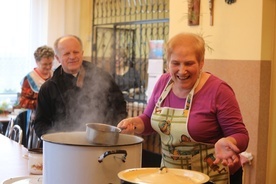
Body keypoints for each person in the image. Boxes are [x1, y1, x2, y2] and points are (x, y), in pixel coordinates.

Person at [117, 32, 249, 184]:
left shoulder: (218, 90)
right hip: (169, 178)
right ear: (168, 63)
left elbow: (241, 135)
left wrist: (229, 141)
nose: (181, 70)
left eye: (189, 63)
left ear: (201, 63)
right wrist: (133, 123)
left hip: (211, 180)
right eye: (175, 63)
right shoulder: (163, 83)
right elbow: (148, 120)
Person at [34, 35, 127, 138]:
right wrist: (57, 139)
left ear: (82, 53)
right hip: (65, 146)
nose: (72, 57)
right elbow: (40, 124)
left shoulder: (102, 78)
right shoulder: (48, 88)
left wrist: (110, 132)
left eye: (76, 52)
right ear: (57, 58)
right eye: (67, 53)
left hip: (101, 142)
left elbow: (119, 107)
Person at [19, 45, 54, 112]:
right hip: (36, 117)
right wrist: (41, 103)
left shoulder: (55, 75)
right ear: (37, 62)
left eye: (50, 63)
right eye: (45, 64)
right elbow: (22, 102)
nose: (48, 67)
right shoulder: (29, 79)